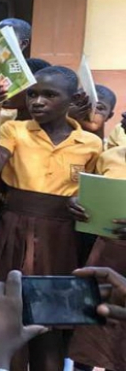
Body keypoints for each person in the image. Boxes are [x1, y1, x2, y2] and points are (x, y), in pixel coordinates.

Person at [0, 66, 103, 371]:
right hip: (14, 227)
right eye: (33, 94)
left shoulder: (90, 143)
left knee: (50, 320)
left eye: (49, 95)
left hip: (61, 237)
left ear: (73, 99)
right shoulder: (16, 130)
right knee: (6, 313)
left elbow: (94, 191)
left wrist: (81, 200)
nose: (37, 101)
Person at [66, 91, 126, 371]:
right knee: (90, 330)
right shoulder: (111, 156)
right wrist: (80, 202)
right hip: (106, 253)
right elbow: (91, 193)